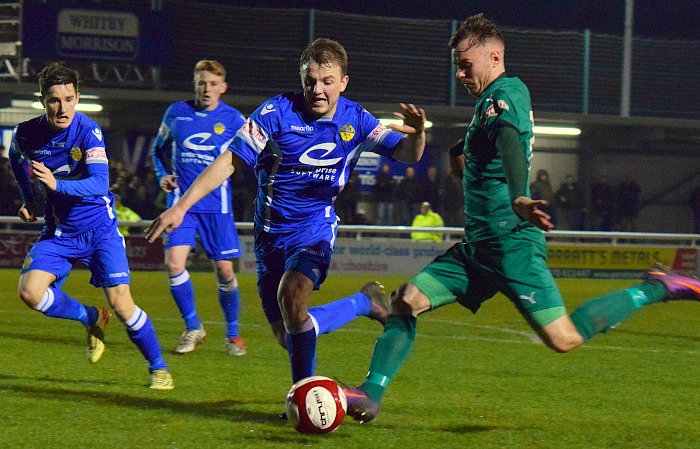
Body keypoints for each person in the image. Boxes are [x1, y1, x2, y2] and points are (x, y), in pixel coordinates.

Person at [341, 14, 700, 424]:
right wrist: (457, 153)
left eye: (465, 63)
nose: (459, 73)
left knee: (563, 339)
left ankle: (658, 287)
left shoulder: (507, 93)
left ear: (494, 56)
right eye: (456, 65)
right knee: (406, 300)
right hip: (477, 249)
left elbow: (510, 139)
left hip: (512, 245)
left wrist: (519, 196)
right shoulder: (486, 105)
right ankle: (369, 395)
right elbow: (475, 149)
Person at [146, 38, 427, 385]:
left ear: (343, 82)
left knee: (292, 297)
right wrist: (181, 208)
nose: (318, 90)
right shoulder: (275, 112)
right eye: (310, 80)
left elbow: (407, 154)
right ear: (301, 78)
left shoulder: (357, 118)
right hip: (270, 235)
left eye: (327, 81)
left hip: (314, 228)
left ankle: (303, 394)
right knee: (289, 334)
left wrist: (417, 135)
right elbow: (229, 162)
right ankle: (362, 303)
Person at [9, 62, 173, 390]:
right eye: (54, 100)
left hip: (100, 229)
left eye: (69, 99)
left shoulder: (87, 130)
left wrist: (56, 186)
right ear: (43, 100)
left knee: (122, 304)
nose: (62, 108)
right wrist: (30, 198)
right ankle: (90, 317)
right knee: (29, 291)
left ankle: (159, 368)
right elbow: (16, 157)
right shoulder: (27, 133)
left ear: (78, 97)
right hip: (59, 231)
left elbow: (100, 183)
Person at [150, 60, 247, 356]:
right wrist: (161, 175)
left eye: (213, 84)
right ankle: (193, 327)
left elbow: (253, 152)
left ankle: (232, 336)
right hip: (181, 205)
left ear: (223, 87)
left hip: (217, 206)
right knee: (173, 263)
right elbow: (157, 150)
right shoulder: (176, 113)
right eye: (202, 82)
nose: (207, 89)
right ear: (194, 84)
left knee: (224, 270)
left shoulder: (233, 119)